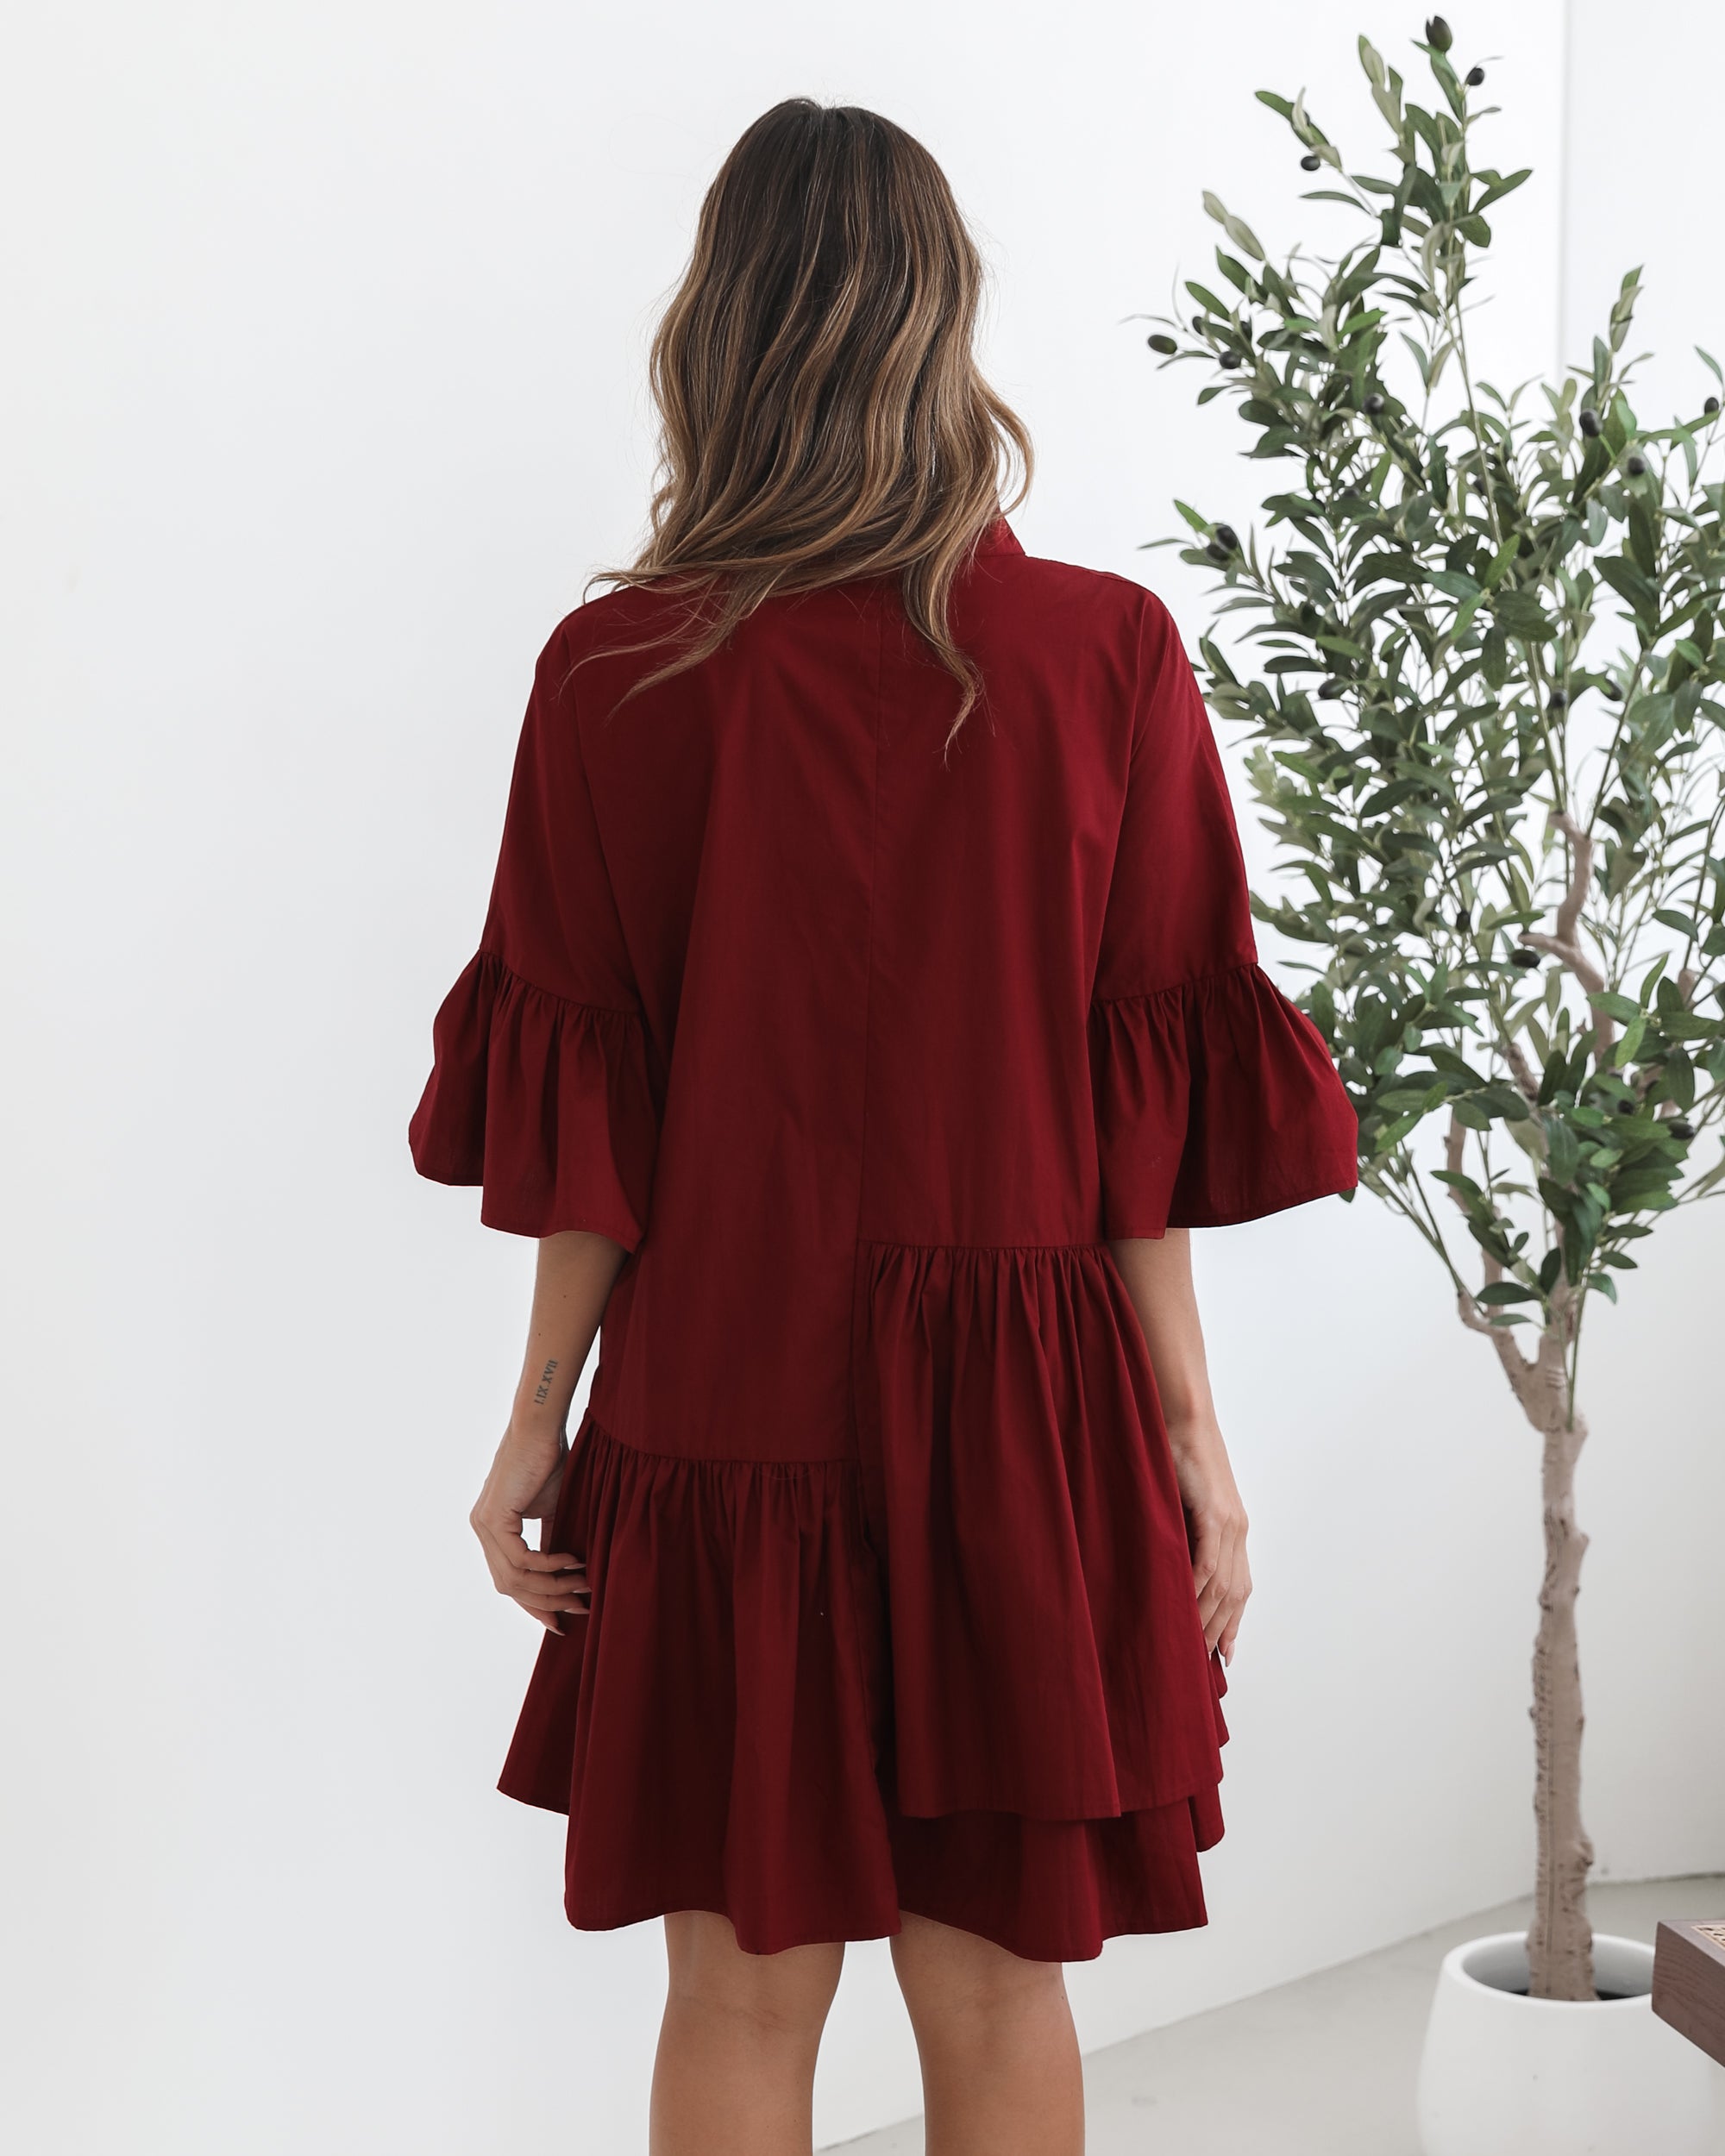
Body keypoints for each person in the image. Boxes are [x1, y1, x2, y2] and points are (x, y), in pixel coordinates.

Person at [408, 96, 1358, 2156]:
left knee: (738, 1992)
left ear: (714, 331)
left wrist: (534, 1423)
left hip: (720, 1390)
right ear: (945, 322)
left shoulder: (610, 673)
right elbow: (1136, 1114)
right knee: (998, 1982)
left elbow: (599, 1125)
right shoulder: (1101, 653)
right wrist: (1192, 1438)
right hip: (1020, 1411)